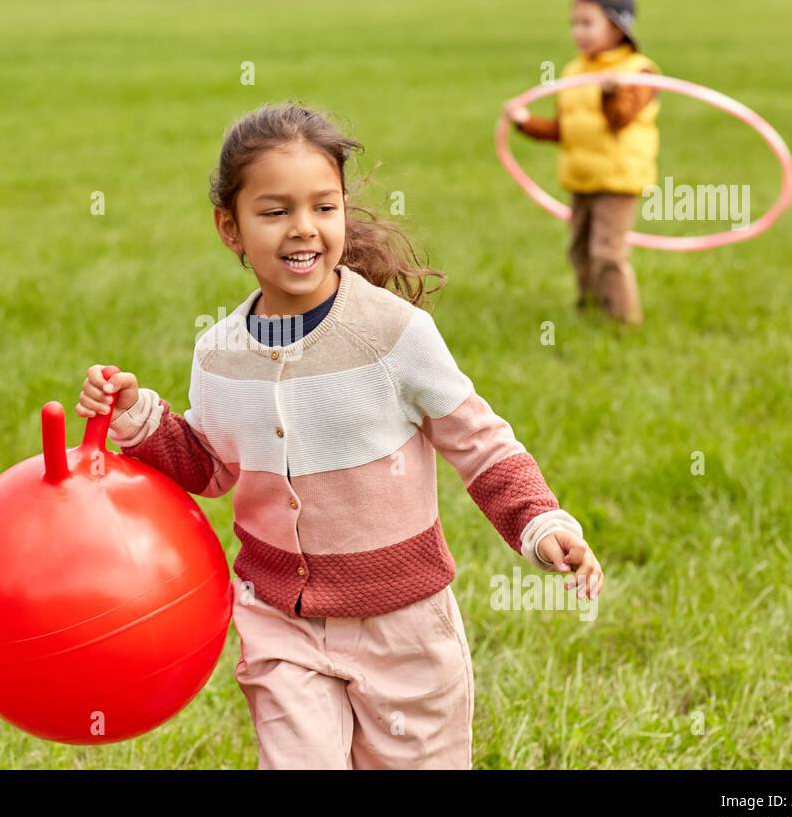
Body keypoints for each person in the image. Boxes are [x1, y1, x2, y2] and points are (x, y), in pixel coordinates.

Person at [77, 101, 603, 769]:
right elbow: (209, 467)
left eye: (324, 208)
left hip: (404, 628)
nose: (304, 229)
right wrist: (135, 416)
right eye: (274, 212)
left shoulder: (394, 336)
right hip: (280, 623)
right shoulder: (219, 353)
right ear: (228, 228)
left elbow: (480, 442)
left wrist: (538, 520)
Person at [506, 0, 660, 325]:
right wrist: (524, 121)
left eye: (588, 23)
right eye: (574, 23)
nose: (578, 31)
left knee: (608, 253)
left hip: (617, 181)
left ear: (619, 27)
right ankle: (590, 309)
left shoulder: (639, 72)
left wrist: (609, 93)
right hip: (581, 179)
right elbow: (564, 129)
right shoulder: (575, 72)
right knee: (579, 251)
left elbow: (620, 120)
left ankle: (623, 321)